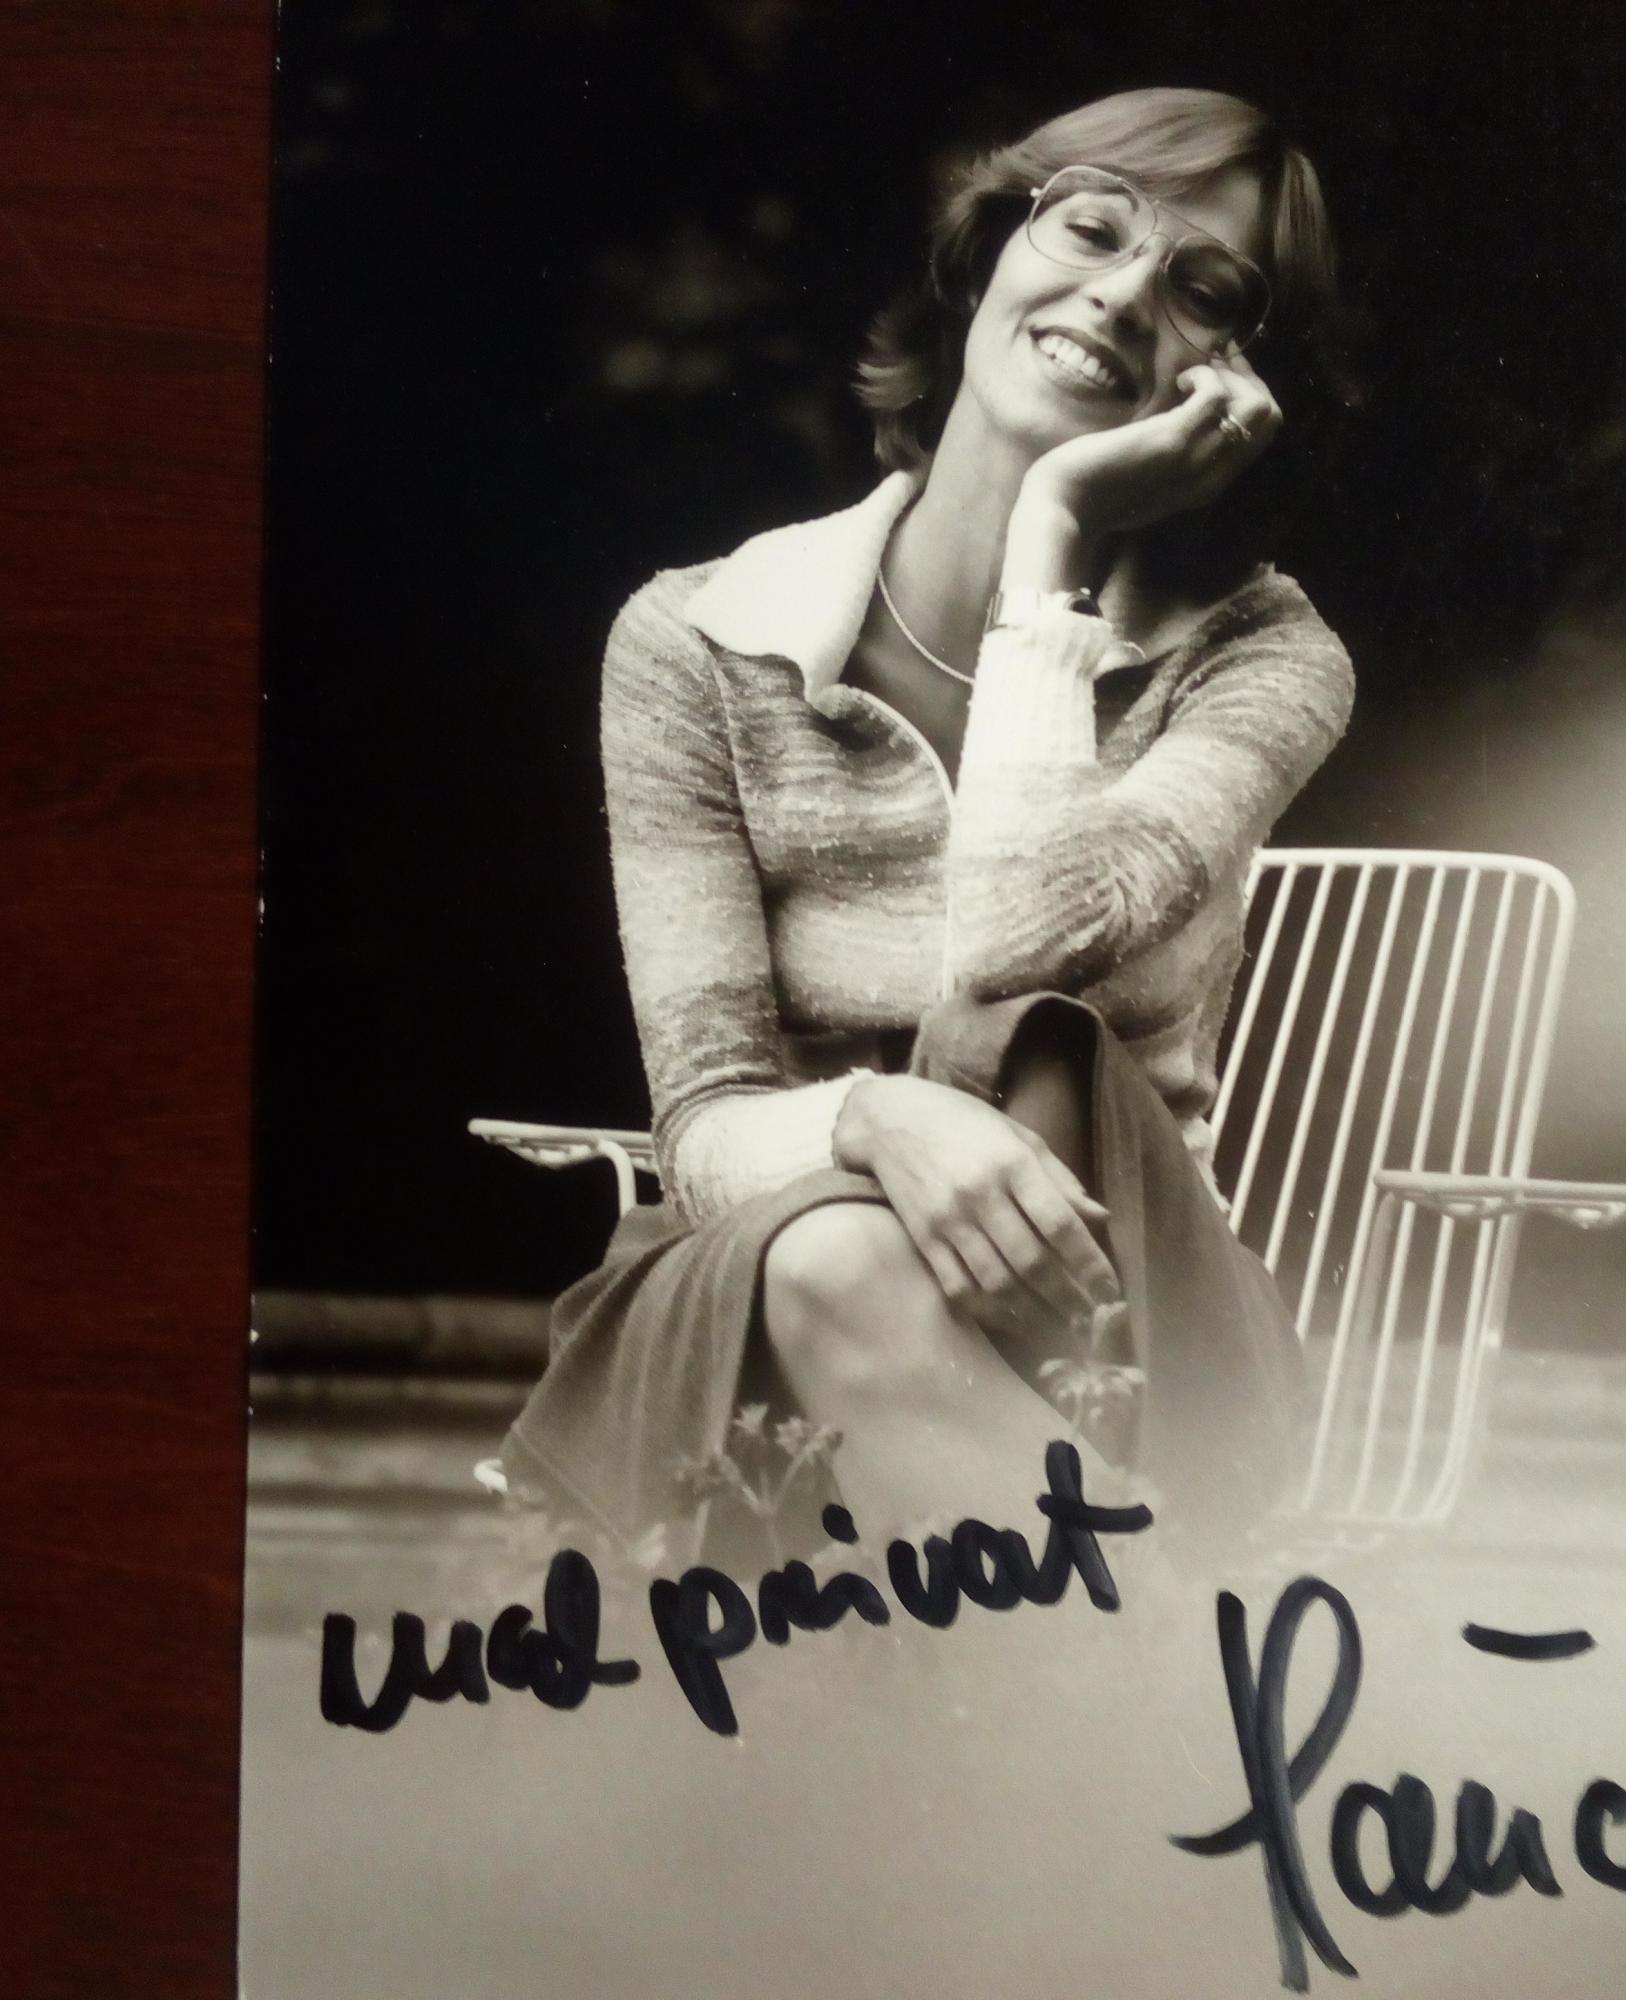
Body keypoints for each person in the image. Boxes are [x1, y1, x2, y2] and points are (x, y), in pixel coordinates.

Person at [501, 87, 1355, 1564]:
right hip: (760, 1283)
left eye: (1202, 291)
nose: (1121, 295)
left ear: (1241, 389)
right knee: (834, 1260)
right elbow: (703, 1120)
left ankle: (1086, 1645)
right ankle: (1160, 1653)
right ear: (992, 247)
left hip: (1119, 1302)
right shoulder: (697, 640)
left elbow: (1021, 941)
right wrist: (879, 1120)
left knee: (1036, 1042)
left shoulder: (1262, 658)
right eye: (1090, 228)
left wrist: (1052, 539)